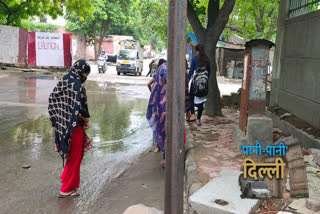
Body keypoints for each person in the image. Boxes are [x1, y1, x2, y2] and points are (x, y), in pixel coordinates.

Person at [48, 60, 91, 198]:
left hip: (62, 126)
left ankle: (66, 176)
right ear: (81, 71)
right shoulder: (77, 86)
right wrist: (86, 120)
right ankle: (66, 189)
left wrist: (60, 119)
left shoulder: (65, 80)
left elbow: (53, 100)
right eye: (85, 73)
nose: (86, 77)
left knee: (74, 154)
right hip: (74, 127)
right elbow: (79, 108)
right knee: (75, 156)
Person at [187, 44, 211, 126]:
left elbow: (191, 71)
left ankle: (193, 114)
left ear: (197, 51)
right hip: (203, 84)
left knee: (191, 97)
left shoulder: (194, 59)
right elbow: (209, 73)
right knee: (201, 101)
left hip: (195, 84)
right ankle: (198, 119)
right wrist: (205, 82)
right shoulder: (207, 59)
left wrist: (188, 80)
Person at [147, 59, 166, 153]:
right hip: (163, 103)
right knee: (163, 124)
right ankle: (163, 145)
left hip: (156, 103)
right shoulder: (164, 75)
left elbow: (148, 84)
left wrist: (153, 95)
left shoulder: (156, 75)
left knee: (156, 123)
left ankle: (157, 146)